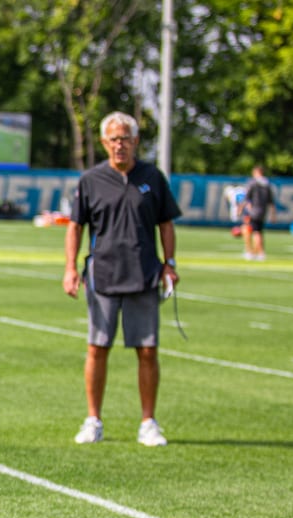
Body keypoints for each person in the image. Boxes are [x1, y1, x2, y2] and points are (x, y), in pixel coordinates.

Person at [63, 111, 180, 447]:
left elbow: (166, 223)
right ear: (104, 143)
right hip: (103, 275)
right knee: (97, 347)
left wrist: (169, 263)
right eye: (114, 139)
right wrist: (70, 268)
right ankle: (93, 419)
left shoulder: (152, 177)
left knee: (147, 350)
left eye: (125, 139)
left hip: (144, 273)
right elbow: (76, 226)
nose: (119, 145)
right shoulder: (91, 180)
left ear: (135, 142)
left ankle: (148, 422)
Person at [241, 165, 274, 261]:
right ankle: (259, 252)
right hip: (263, 211)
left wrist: (240, 209)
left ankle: (252, 252)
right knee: (259, 231)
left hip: (253, 211)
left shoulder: (253, 183)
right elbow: (271, 201)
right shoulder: (267, 184)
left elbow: (246, 198)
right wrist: (273, 214)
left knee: (251, 231)